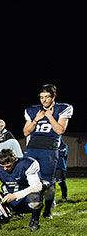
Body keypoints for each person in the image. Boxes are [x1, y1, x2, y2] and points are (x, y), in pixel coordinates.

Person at [22, 83, 73, 219]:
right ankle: (31, 206)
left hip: (49, 149)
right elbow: (26, 132)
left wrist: (50, 117)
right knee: (29, 179)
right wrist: (35, 120)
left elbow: (60, 130)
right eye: (41, 97)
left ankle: (48, 209)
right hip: (32, 148)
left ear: (53, 97)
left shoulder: (63, 108)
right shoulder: (33, 111)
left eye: (47, 97)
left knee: (48, 182)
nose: (44, 100)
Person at [0, 148, 44, 231]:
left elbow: (37, 187)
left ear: (15, 161)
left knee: (35, 198)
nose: (5, 169)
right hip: (6, 199)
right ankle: (0, 217)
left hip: (24, 199)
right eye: (2, 166)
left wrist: (15, 195)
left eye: (8, 166)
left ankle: (34, 221)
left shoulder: (27, 164)